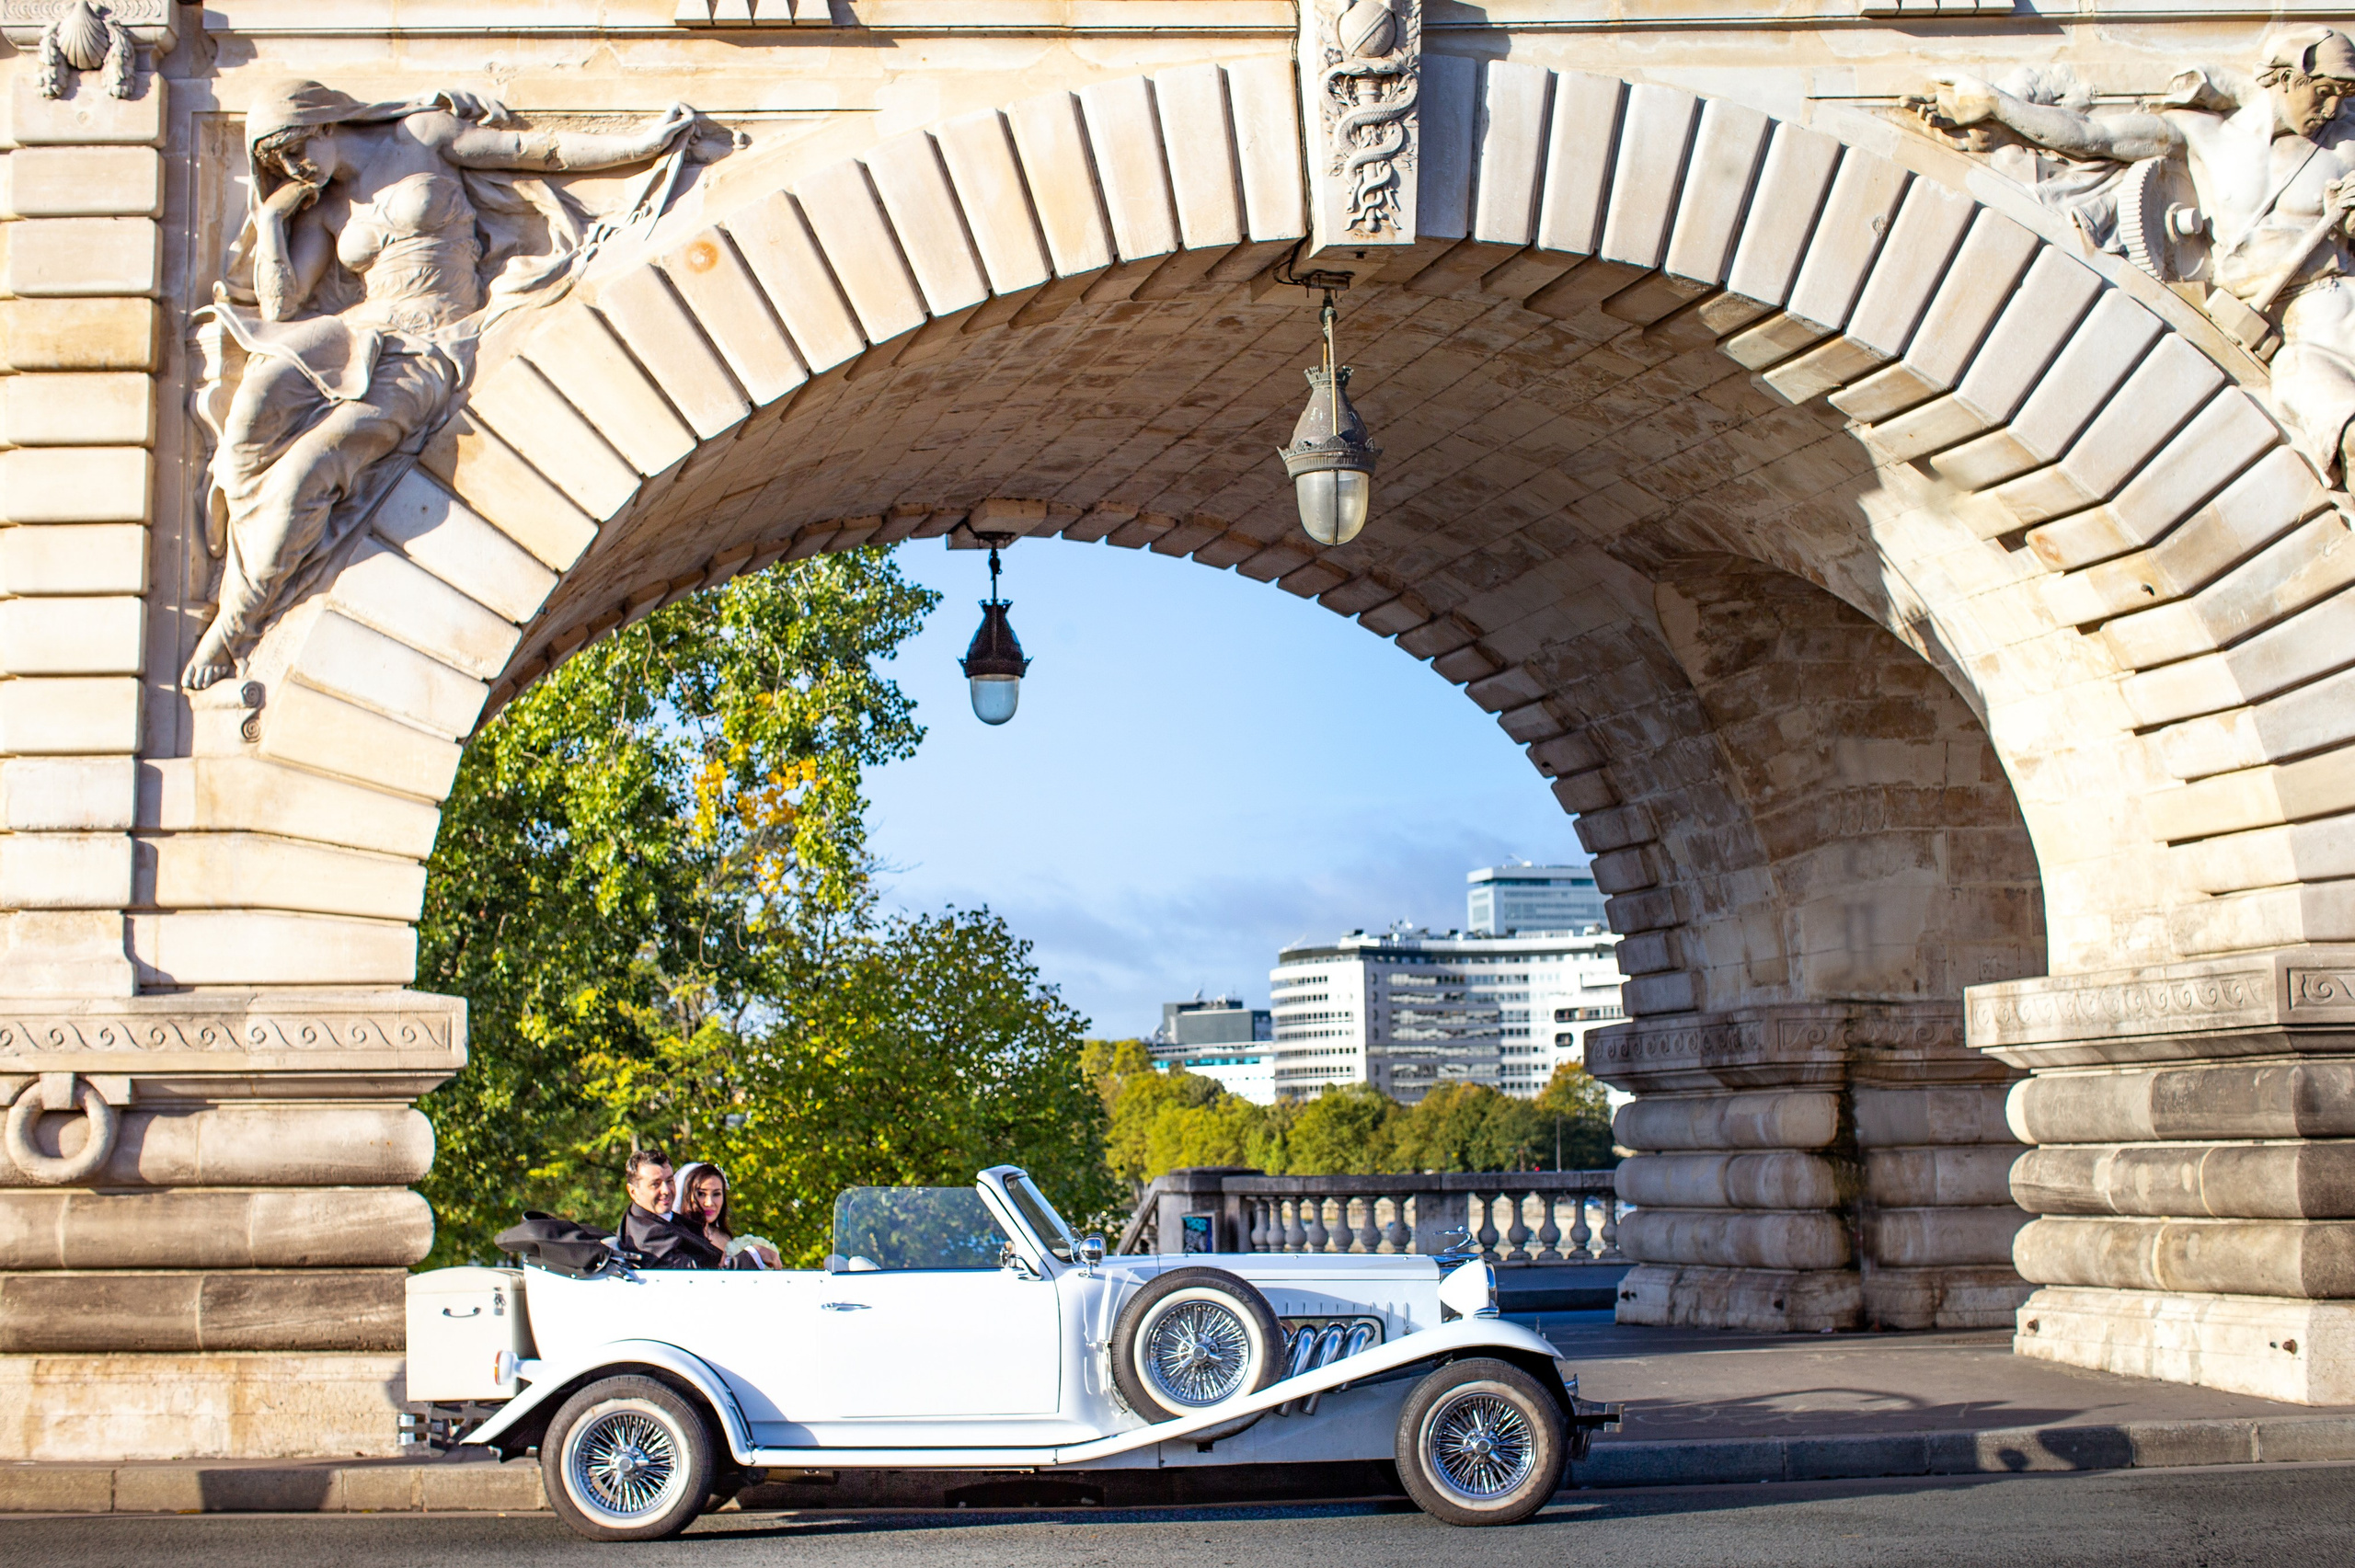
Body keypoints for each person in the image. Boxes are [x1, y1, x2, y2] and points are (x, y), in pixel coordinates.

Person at [186, 78, 706, 690]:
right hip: (357, 332)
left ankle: (238, 621)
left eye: (296, 148)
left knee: (307, 472)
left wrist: (637, 147)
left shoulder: (421, 136)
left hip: (430, 344)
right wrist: (273, 221)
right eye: (278, 162)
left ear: (323, 121)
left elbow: (541, 150)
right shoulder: (324, 208)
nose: (295, 166)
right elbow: (279, 306)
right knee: (250, 409)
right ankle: (227, 535)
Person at [1908, 29, 2355, 484]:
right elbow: (2092, 135)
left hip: (2331, 309)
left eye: (2342, 97)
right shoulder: (2200, 134)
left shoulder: (2346, 148)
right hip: (2268, 320)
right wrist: (1998, 105)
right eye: (2323, 93)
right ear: (2283, 79)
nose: (2332, 110)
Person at [618, 1149, 727, 1270]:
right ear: (633, 1192)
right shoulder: (649, 1235)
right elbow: (698, 1276)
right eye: (655, 1184)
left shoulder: (661, 1220)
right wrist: (750, 1256)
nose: (666, 1190)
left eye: (669, 1181)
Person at [670, 1162, 781, 1270]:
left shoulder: (724, 1236)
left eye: (716, 1194)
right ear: (687, 1195)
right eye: (701, 1194)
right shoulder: (679, 1237)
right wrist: (754, 1253)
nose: (709, 1203)